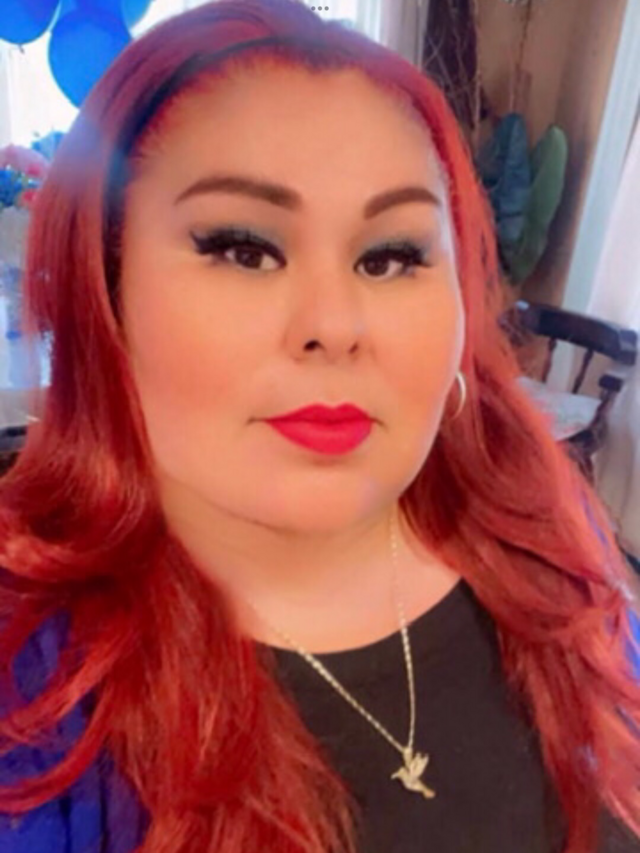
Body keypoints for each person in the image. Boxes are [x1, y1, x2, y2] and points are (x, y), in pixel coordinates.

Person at [0, 1, 639, 851]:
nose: (335, 324)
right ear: (104, 291)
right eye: (244, 248)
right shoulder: (31, 693)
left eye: (392, 256)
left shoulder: (548, 544)